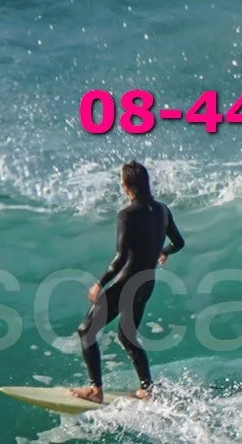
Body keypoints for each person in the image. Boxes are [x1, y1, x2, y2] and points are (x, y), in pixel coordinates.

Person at [73, 160, 183, 402]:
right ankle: (147, 390)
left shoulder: (127, 214)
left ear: (127, 186)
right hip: (146, 283)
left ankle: (95, 391)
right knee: (127, 336)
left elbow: (121, 257)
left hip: (128, 283)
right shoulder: (163, 210)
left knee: (86, 331)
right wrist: (163, 250)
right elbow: (179, 242)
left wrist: (99, 283)